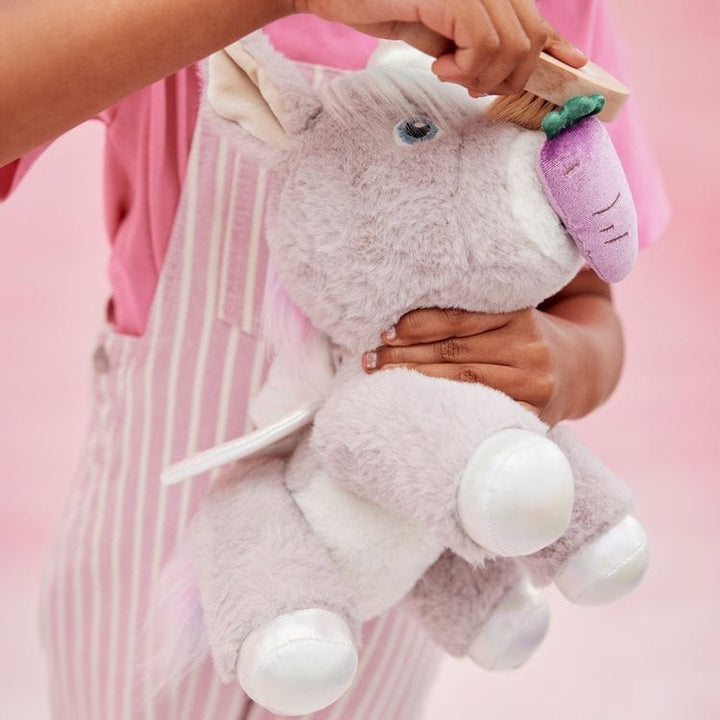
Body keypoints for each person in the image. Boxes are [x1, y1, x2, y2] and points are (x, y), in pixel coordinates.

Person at [0, 1, 669, 718]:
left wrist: (562, 362)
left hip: (400, 554)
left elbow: (588, 304)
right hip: (153, 547)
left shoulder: (552, 14)